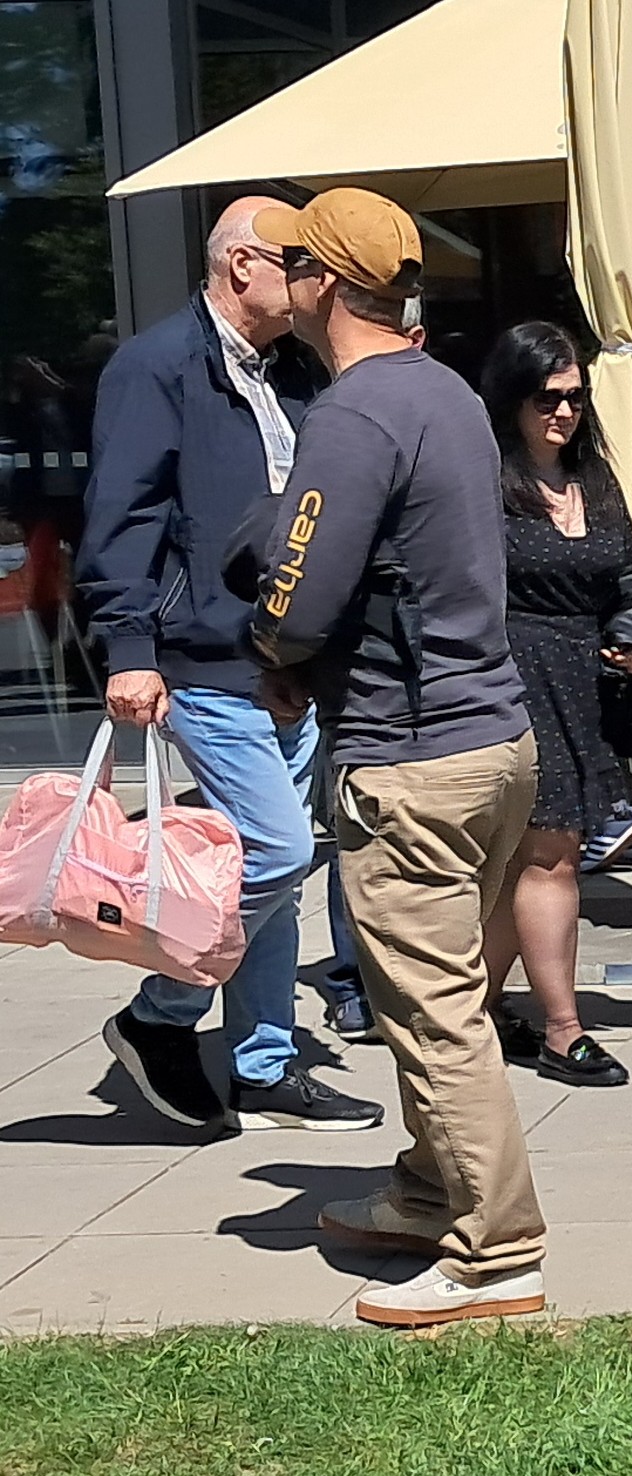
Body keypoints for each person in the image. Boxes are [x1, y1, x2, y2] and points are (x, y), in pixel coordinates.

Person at [236, 188, 547, 1327]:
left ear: (322, 283)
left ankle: (497, 1253)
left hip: (410, 754)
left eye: (290, 264)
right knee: (440, 993)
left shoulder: (354, 411)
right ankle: (427, 1191)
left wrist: (272, 649)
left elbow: (301, 588)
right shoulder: (446, 390)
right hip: (494, 738)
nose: (281, 280)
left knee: (433, 1014)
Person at [75, 196, 382, 1137]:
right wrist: (131, 648)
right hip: (201, 656)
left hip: (285, 661)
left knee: (273, 870)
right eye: (297, 259)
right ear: (241, 264)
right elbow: (123, 513)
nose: (312, 276)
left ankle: (263, 1063)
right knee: (279, 853)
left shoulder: (292, 367)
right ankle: (159, 1012)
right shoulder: (159, 364)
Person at [474, 322, 632, 1087]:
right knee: (550, 856)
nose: (564, 412)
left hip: (588, 680)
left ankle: (470, 1010)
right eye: (547, 398)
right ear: (512, 398)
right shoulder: (485, 483)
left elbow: (628, 573)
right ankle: (563, 1028)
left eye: (575, 397)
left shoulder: (593, 480)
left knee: (527, 862)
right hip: (515, 675)